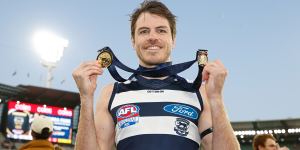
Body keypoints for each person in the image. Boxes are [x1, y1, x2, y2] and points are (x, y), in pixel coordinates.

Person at [72, 0, 240, 149]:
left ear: (173, 39)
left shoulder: (198, 91)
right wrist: (86, 98)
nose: (152, 37)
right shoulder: (111, 93)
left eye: (161, 31)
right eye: (144, 31)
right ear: (133, 41)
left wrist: (216, 98)